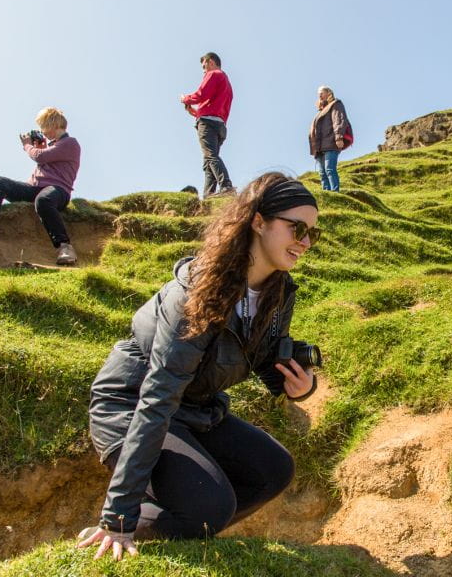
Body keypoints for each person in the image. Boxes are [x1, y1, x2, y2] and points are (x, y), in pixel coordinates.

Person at [77, 173, 321, 561]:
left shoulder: (276, 290)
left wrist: (297, 385)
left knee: (274, 470)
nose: (306, 242)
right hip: (133, 404)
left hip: (195, 408)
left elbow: (262, 355)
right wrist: (119, 514)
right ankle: (125, 526)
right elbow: (157, 398)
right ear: (258, 221)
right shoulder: (194, 293)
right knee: (210, 505)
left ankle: (187, 527)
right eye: (297, 228)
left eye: (313, 234)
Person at [0, 108, 81, 265]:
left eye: (44, 127)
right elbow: (44, 157)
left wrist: (28, 145)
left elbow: (40, 157)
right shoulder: (53, 147)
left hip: (58, 190)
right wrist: (41, 148)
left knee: (44, 200)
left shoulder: (70, 143)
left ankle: (65, 246)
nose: (43, 132)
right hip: (35, 187)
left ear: (52, 124)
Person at [180, 52, 235, 199]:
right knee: (209, 161)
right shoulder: (227, 83)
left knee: (210, 157)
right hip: (220, 125)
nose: (203, 69)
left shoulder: (214, 74)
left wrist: (186, 99)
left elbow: (201, 94)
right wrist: (194, 112)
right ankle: (208, 195)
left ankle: (226, 186)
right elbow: (213, 106)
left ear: (211, 61)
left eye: (204, 65)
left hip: (208, 123)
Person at [308, 86, 351, 192]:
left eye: (322, 92)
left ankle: (335, 192)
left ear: (329, 93)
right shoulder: (320, 112)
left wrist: (339, 136)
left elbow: (339, 120)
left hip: (331, 142)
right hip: (320, 147)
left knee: (329, 169)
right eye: (318, 93)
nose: (319, 95)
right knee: (322, 173)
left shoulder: (336, 104)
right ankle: (326, 194)